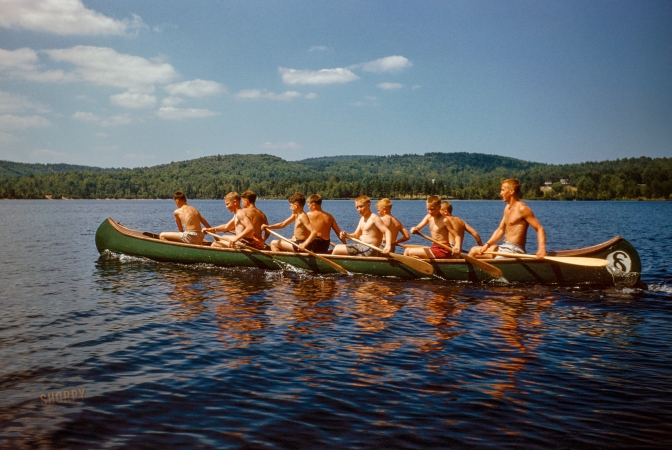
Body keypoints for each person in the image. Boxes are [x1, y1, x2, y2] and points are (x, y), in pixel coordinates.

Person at [468, 178, 546, 259]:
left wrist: (541, 249)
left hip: (515, 250)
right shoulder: (507, 208)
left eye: (503, 190)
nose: (500, 193)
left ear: (511, 191)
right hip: (504, 247)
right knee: (473, 251)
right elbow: (500, 230)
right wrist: (487, 245)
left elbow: (540, 229)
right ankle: (470, 271)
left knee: (497, 260)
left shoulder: (522, 209)